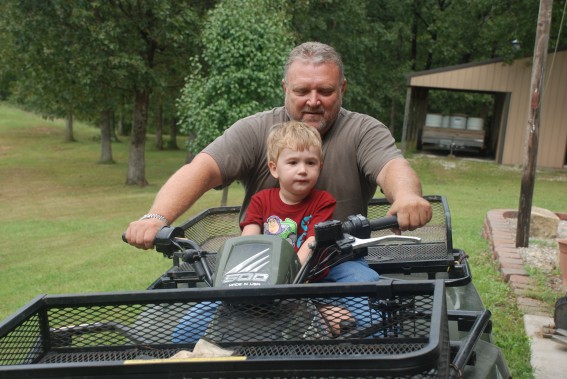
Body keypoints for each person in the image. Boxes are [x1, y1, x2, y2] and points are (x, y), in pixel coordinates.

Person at [125, 41, 431, 250]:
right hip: (259, 266)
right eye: (302, 90)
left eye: (325, 90)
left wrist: (406, 196)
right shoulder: (256, 129)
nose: (313, 101)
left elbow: (392, 166)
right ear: (286, 88)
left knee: (368, 327)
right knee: (190, 330)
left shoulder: (363, 130)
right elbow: (202, 169)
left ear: (342, 89)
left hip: (337, 263)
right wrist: (156, 218)